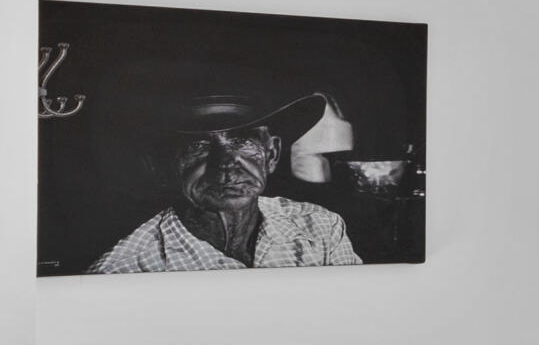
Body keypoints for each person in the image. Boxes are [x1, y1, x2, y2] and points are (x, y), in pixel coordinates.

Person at [91, 93, 362, 272]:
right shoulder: (125, 268)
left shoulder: (321, 228)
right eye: (198, 145)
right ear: (161, 167)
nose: (226, 162)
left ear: (271, 155)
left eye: (243, 140)